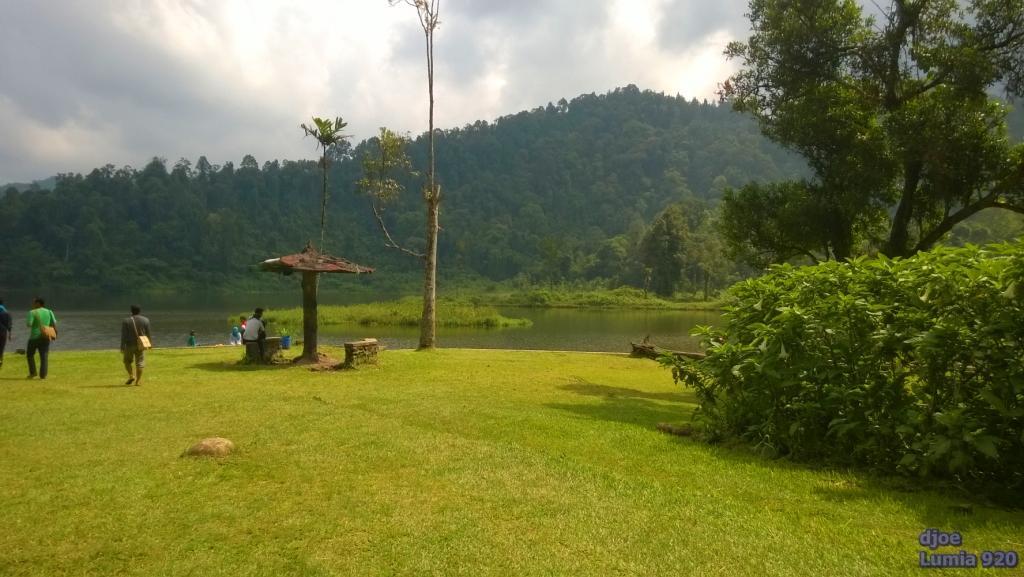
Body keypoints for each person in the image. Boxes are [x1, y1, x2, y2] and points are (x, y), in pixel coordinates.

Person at [26, 297, 57, 379]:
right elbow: (53, 323)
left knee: (30, 354)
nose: (32, 304)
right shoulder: (49, 312)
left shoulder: (32, 312)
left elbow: (29, 324)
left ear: (38, 303)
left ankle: (33, 373)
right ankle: (43, 375)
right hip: (45, 336)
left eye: (34, 303)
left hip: (34, 337)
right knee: (44, 356)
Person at [120, 305, 151, 386]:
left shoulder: (126, 321)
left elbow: (124, 335)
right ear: (139, 311)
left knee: (127, 361)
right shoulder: (146, 320)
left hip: (129, 344)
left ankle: (131, 376)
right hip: (141, 344)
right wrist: (150, 343)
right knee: (140, 363)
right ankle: (137, 381)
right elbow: (148, 333)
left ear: (131, 311)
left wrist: (122, 346)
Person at [0, 298, 12, 368]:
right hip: (3, 332)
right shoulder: (7, 313)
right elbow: (9, 325)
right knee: (1, 348)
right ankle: (0, 362)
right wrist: (10, 334)